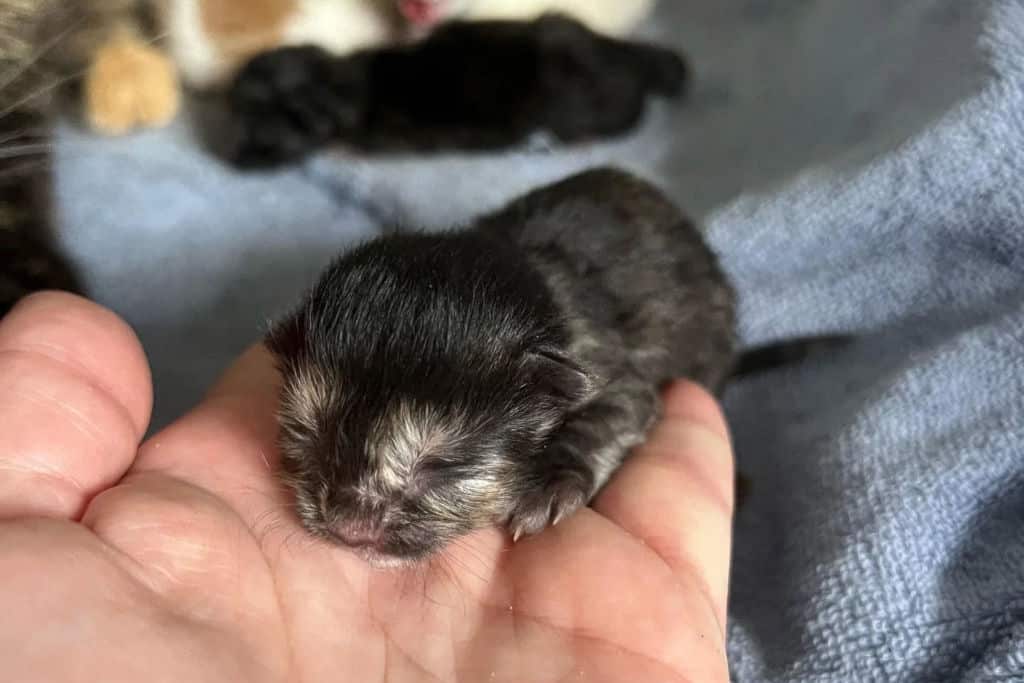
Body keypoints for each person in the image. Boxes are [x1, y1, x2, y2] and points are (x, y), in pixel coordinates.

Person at [0, 292, 734, 682]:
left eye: (436, 467)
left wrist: (570, 464)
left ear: (548, 394)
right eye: (314, 439)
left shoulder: (567, 363)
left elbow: (625, 402)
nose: (349, 515)